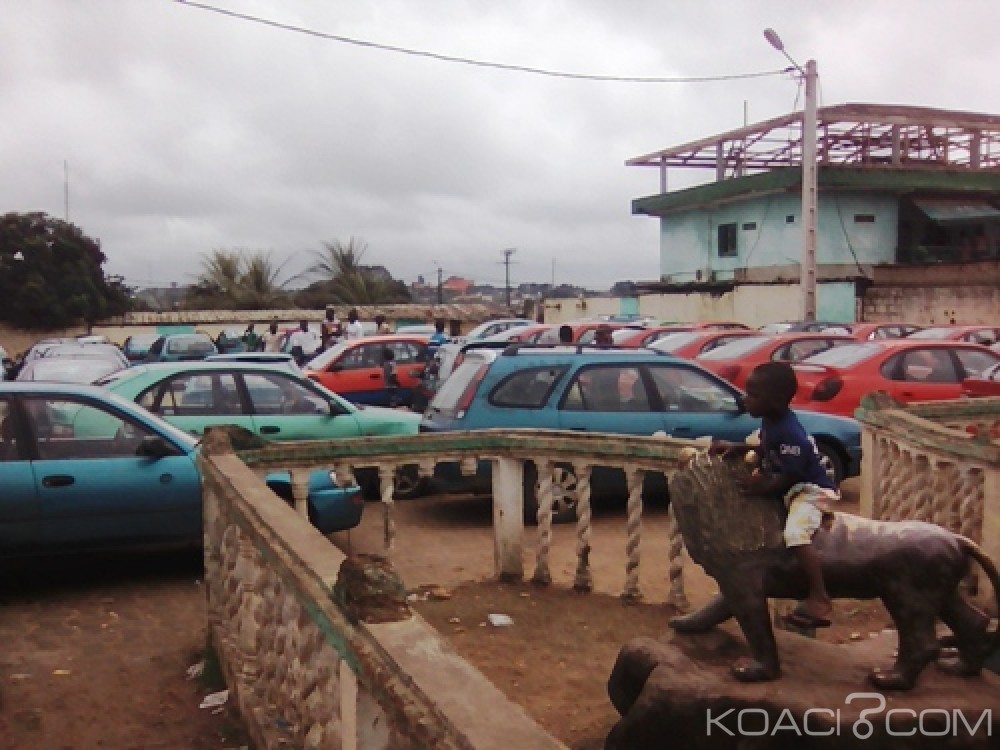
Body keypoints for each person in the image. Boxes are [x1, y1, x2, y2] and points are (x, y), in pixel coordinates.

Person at [711, 361, 838, 629]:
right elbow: (769, 449)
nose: (746, 401)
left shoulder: (790, 432)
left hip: (811, 490)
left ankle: (819, 595)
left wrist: (760, 486)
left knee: (795, 535)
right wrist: (739, 447)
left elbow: (789, 475)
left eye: (754, 395)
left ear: (778, 400)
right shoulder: (772, 422)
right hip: (793, 487)